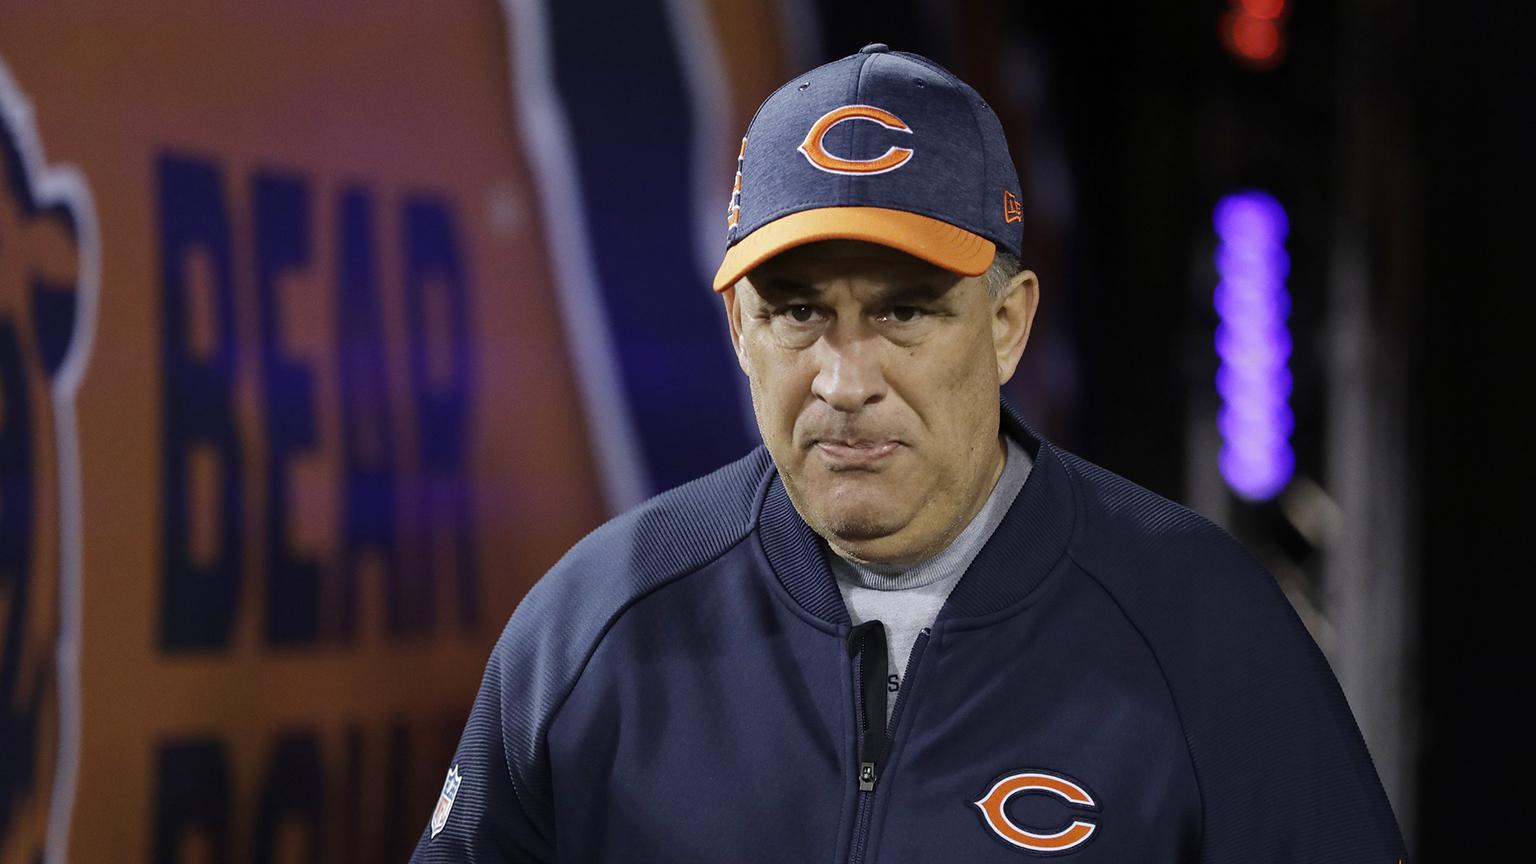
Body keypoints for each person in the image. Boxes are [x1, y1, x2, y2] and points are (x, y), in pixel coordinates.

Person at [411, 44, 1407, 862]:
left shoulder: (1203, 627)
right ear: (738, 329)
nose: (846, 381)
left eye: (905, 311)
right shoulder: (596, 627)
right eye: (799, 312)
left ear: (1008, 325)